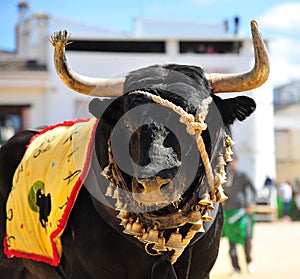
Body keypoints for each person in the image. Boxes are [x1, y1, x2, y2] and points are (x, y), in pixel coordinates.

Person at [222, 155, 257, 275]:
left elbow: (253, 190)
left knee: (247, 237)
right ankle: (235, 267)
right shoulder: (223, 177)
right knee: (231, 241)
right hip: (229, 213)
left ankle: (249, 262)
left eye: (233, 161)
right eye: (229, 161)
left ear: (236, 162)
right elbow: (218, 192)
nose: (231, 163)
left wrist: (251, 203)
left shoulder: (242, 175)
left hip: (243, 212)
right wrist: (221, 201)